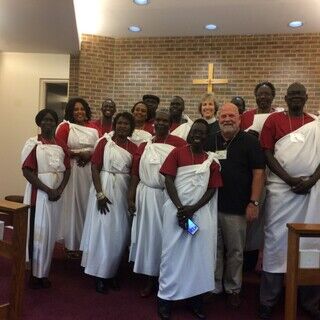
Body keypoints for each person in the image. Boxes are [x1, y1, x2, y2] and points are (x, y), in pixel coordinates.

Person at [259, 83, 320, 319]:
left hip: (312, 193)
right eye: (292, 95)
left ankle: (310, 300)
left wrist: (312, 180)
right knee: (276, 241)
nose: (296, 98)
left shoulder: (316, 123)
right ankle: (268, 300)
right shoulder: (274, 121)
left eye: (300, 95)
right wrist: (290, 180)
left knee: (311, 243)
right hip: (281, 191)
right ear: (285, 98)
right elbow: (266, 153)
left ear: (306, 97)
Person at [157, 119, 222, 320]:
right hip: (175, 213)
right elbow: (168, 179)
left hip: (199, 215)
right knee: (172, 256)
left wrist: (193, 208)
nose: (198, 135)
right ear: (190, 132)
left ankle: (196, 300)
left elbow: (212, 189)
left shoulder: (211, 161)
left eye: (202, 132)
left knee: (198, 258)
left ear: (207, 136)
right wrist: (180, 208)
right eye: (195, 131)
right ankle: (166, 299)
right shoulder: (177, 153)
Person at [208, 103, 265, 308]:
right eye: (223, 116)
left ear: (240, 119)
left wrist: (254, 202)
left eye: (232, 116)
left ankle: (233, 288)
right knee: (213, 249)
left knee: (235, 251)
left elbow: (259, 173)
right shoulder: (210, 139)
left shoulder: (249, 142)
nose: (227, 119)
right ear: (218, 118)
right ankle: (214, 286)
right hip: (211, 206)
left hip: (238, 208)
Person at [128, 109, 186, 298]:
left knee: (167, 237)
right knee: (149, 238)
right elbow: (135, 173)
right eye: (158, 120)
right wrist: (131, 196)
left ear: (170, 124)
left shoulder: (179, 144)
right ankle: (149, 279)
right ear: (154, 124)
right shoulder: (145, 145)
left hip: (169, 196)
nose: (161, 123)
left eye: (165, 121)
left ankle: (167, 277)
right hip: (147, 195)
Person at [80, 112, 137, 293]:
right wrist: (100, 194)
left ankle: (111, 272)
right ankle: (99, 275)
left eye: (126, 124)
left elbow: (134, 174)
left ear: (131, 128)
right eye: (119, 123)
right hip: (103, 188)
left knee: (119, 234)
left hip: (122, 190)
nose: (122, 126)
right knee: (102, 232)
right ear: (114, 125)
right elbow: (95, 168)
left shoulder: (134, 147)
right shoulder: (105, 142)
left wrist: (130, 198)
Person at [22, 109, 70, 288]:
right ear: (39, 123)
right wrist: (47, 190)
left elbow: (68, 169)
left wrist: (60, 189)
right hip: (38, 195)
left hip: (55, 195)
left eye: (52, 120)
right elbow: (27, 171)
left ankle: (44, 273)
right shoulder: (33, 143)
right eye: (45, 120)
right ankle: (34, 275)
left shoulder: (61, 144)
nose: (48, 123)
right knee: (37, 234)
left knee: (49, 236)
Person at [56, 97, 99, 252]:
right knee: (73, 206)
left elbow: (99, 149)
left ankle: (85, 243)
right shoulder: (65, 126)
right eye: (75, 109)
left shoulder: (93, 128)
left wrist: (90, 155)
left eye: (82, 109)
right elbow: (59, 148)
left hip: (89, 172)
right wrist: (79, 154)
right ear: (70, 112)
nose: (79, 112)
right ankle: (72, 244)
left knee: (87, 205)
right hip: (73, 171)